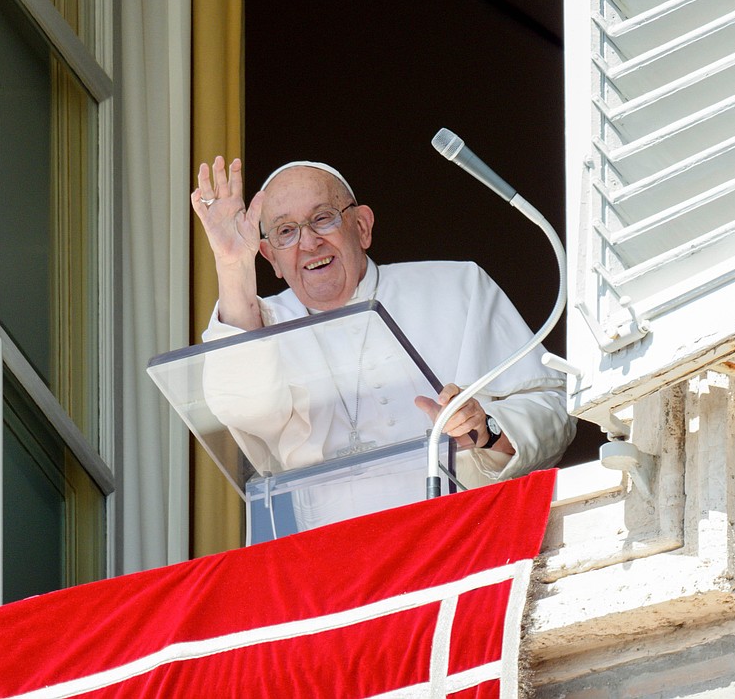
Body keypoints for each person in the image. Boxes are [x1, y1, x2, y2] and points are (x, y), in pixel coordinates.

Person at [192, 156, 575, 530]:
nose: (308, 242)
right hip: (334, 563)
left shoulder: (458, 287)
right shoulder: (260, 326)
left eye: (323, 218)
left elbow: (554, 410)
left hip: (463, 533)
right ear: (270, 258)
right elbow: (242, 410)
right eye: (285, 231)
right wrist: (232, 268)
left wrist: (487, 429)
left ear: (361, 226)